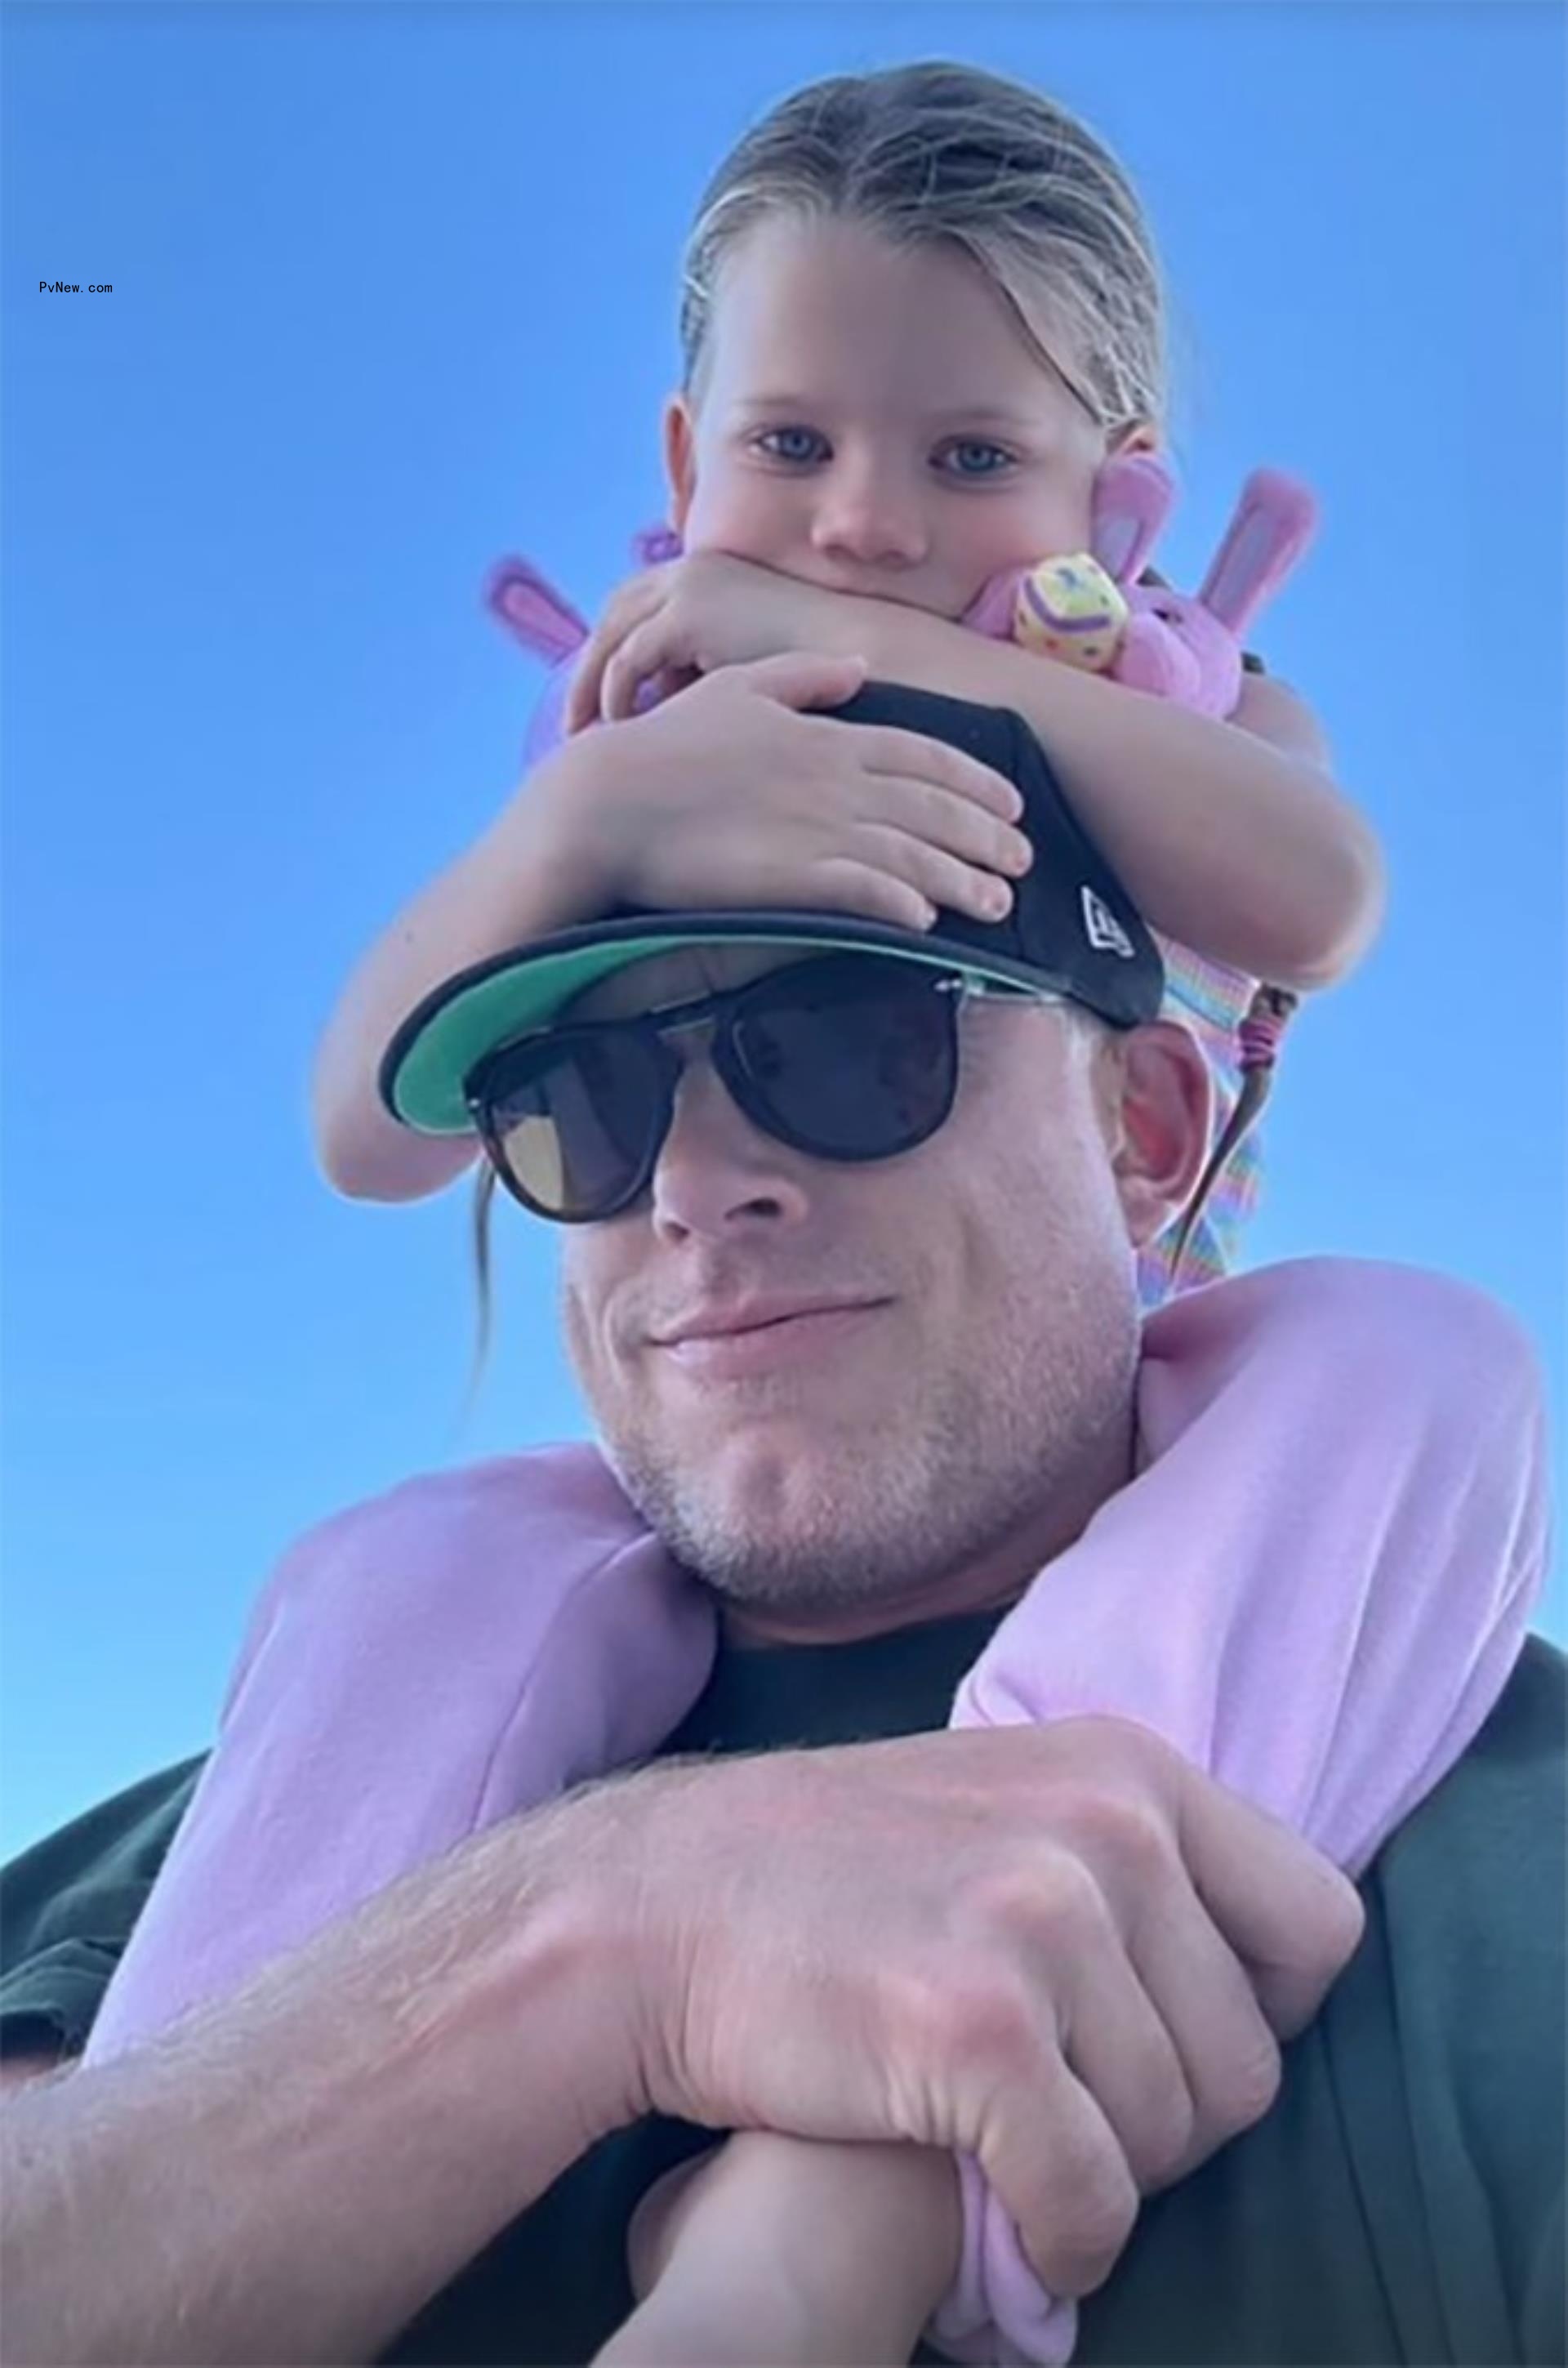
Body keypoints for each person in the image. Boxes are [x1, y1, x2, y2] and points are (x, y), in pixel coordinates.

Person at [1, 697, 1561, 2366]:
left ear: (1151, 1132)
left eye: (844, 1038)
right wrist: (608, 1933)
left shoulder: (1503, 1885)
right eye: (582, 1100)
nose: (688, 1182)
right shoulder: (233, 1825)